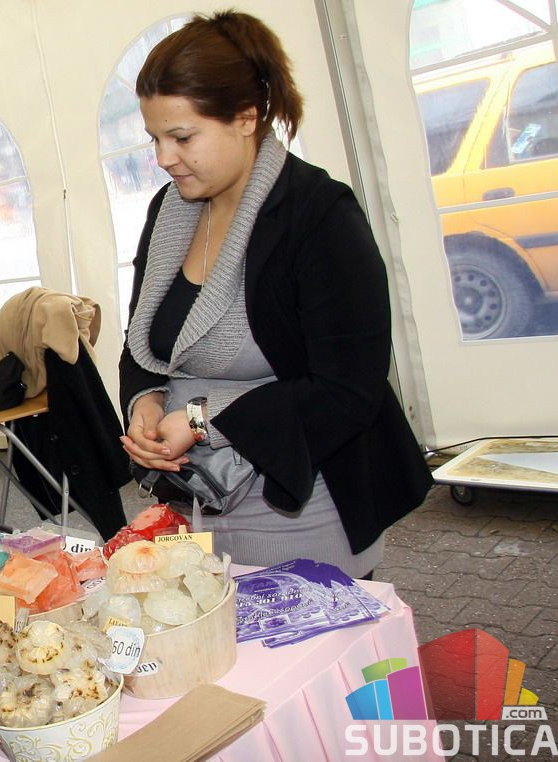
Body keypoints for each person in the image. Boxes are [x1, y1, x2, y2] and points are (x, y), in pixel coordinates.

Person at [119, 11, 431, 579]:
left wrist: (200, 418)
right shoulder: (168, 213)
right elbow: (145, 339)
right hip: (193, 500)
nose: (163, 158)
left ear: (245, 118)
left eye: (182, 137)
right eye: (155, 139)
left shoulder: (317, 214)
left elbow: (349, 388)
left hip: (301, 506)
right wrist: (145, 402)